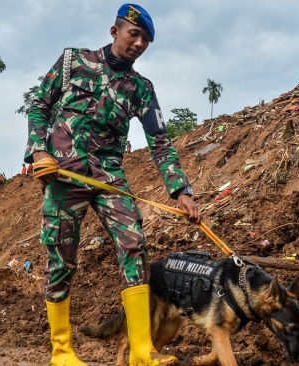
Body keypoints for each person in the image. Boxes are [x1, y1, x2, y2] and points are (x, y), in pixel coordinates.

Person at [24, 4, 199, 365]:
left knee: (134, 244)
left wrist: (181, 190)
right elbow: (39, 104)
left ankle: (141, 350)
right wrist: (39, 152)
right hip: (63, 174)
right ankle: (62, 352)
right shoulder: (74, 61)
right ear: (114, 31)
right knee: (61, 260)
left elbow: (161, 141)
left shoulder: (141, 89)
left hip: (109, 179)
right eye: (133, 34)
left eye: (146, 40)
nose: (139, 43)